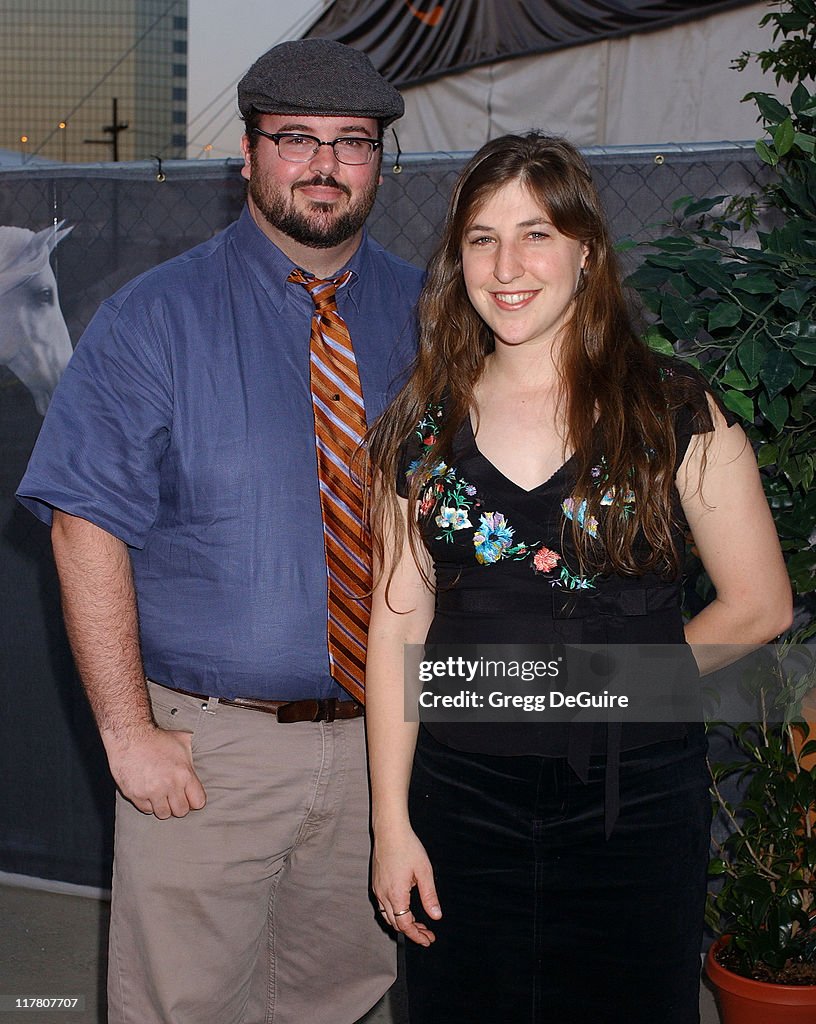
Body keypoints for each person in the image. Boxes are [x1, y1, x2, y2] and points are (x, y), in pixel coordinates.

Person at [17, 38, 423, 1024]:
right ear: (249, 155)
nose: (324, 164)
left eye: (352, 143)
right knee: (182, 1006)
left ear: (378, 163)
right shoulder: (153, 318)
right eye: (297, 139)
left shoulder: (431, 313)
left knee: (340, 1000)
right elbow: (84, 527)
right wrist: (129, 733)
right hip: (209, 754)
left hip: (384, 746)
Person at [363, 133, 792, 1024]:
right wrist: (392, 827)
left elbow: (760, 606)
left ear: (586, 249)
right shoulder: (418, 427)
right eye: (481, 238)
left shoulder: (674, 409)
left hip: (633, 805)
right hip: (461, 800)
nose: (507, 265)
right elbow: (398, 631)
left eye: (536, 234)